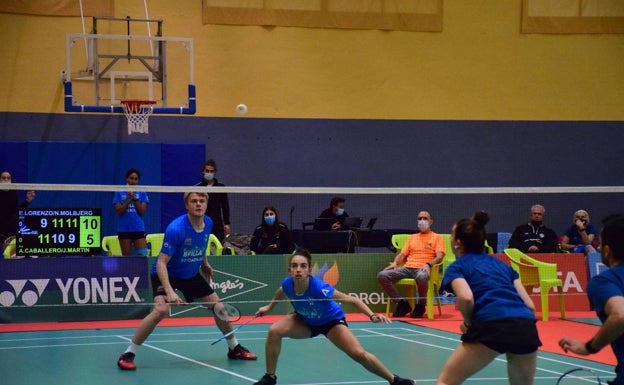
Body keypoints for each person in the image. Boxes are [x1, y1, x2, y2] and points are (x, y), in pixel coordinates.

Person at [117, 192, 257, 371]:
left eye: (202, 201)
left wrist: (205, 263)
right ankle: (128, 353)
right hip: (167, 272)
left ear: (206, 204)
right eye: (194, 201)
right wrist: (168, 291)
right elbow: (161, 262)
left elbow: (201, 243)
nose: (198, 204)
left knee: (219, 308)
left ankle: (234, 348)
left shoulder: (209, 223)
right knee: (161, 310)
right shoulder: (176, 229)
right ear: (187, 205)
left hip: (190, 273)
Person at [251, 249, 416, 385]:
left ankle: (395, 380)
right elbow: (280, 292)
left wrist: (371, 315)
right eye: (294, 266)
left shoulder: (319, 288)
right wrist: (269, 307)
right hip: (305, 321)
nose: (298, 269)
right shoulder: (288, 284)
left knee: (358, 354)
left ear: (309, 270)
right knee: (274, 331)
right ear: (290, 270)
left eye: (303, 266)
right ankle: (270, 378)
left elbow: (350, 299)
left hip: (331, 322)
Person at [436, 211, 541, 385]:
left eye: (452, 234)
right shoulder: (503, 266)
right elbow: (530, 306)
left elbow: (466, 297)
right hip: (525, 327)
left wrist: (469, 324)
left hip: (492, 324)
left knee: (446, 382)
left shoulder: (457, 267)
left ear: (458, 243)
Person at [559, 214, 624, 385]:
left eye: (601, 243)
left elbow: (620, 315)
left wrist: (588, 348)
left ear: (607, 250)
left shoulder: (604, 281)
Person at [377, 211, 445, 318]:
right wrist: (395, 262)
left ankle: (421, 305)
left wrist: (428, 264)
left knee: (422, 277)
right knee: (382, 275)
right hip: (407, 268)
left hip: (423, 269)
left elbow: (440, 256)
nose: (422, 221)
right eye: (420, 218)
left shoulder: (437, 237)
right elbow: (402, 254)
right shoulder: (412, 237)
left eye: (425, 218)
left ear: (431, 221)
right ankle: (401, 304)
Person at [112, 168, 149, 256]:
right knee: (127, 261)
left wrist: (135, 200)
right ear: (127, 179)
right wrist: (129, 199)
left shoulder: (142, 193)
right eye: (131, 178)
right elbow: (119, 211)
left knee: (143, 257)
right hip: (124, 230)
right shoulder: (119, 192)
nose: (133, 181)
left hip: (138, 229)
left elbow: (142, 212)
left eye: (136, 179)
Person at [195, 159, 231, 241]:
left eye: (211, 171)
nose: (209, 173)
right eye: (207, 171)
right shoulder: (197, 188)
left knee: (219, 247)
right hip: (201, 223)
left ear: (215, 172)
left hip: (217, 224)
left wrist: (227, 223)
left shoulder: (221, 187)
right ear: (203, 171)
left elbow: (225, 206)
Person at [0, 170, 35, 245]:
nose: (6, 180)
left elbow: (16, 211)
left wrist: (27, 201)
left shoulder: (13, 193)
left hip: (11, 233)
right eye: (4, 178)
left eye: (8, 178)